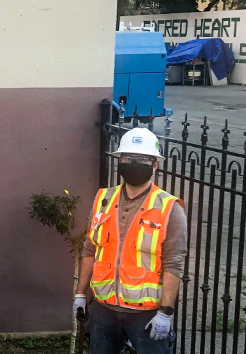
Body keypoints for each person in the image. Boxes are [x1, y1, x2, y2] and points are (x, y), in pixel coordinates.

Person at [75, 128, 187, 354]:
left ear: (155, 164)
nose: (134, 163)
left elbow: (174, 262)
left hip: (146, 315)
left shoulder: (169, 208)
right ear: (120, 161)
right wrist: (80, 294)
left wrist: (165, 312)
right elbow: (90, 249)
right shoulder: (103, 199)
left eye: (143, 159)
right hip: (104, 310)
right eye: (128, 158)